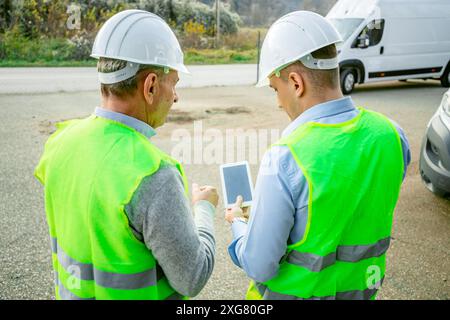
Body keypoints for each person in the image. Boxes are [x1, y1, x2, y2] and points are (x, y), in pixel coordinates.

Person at [225, 11, 411, 300]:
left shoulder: (286, 158)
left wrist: (239, 223)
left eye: (276, 89)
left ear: (296, 83)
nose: (277, 102)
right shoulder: (392, 135)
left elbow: (259, 265)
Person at [34, 10, 219, 300]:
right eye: (175, 83)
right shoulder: (153, 175)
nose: (175, 97)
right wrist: (204, 209)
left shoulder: (60, 144)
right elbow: (191, 277)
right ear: (151, 86)